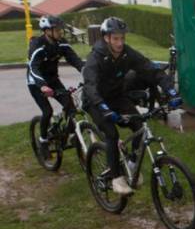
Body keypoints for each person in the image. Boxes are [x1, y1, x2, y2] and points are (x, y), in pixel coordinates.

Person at [82, 17, 182, 195]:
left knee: (139, 126)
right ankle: (116, 179)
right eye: (115, 39)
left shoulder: (127, 53)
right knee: (112, 134)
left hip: (116, 98)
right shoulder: (95, 58)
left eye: (122, 38)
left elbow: (151, 69)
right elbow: (90, 87)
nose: (120, 43)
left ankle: (132, 164)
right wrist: (104, 109)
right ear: (106, 38)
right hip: (95, 101)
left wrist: (171, 91)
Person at [27, 15, 85, 159]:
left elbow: (75, 60)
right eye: (57, 30)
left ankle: (70, 135)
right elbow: (33, 68)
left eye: (60, 29)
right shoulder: (38, 45)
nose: (60, 32)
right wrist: (42, 86)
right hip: (36, 82)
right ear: (47, 31)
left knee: (70, 106)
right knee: (47, 112)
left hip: (53, 79)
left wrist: (87, 72)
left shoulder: (61, 44)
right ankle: (43, 141)